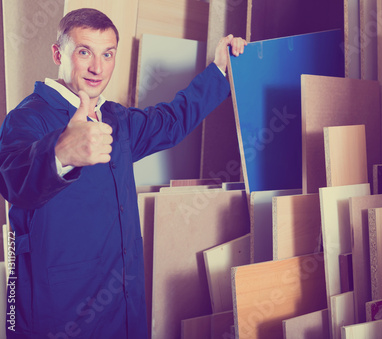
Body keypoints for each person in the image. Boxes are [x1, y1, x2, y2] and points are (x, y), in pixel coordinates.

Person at [0, 8, 246, 339]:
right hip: (58, 309)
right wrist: (61, 152)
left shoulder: (115, 119)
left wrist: (218, 70)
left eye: (108, 54)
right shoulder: (28, 117)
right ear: (59, 53)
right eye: (84, 51)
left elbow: (172, 121)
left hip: (121, 303)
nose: (97, 68)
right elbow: (14, 181)